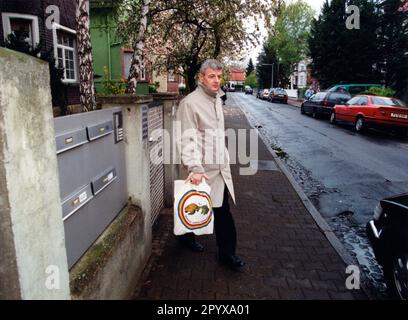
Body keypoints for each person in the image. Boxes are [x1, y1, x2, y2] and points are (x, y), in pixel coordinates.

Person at [176, 59, 245, 271]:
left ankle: (227, 254)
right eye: (211, 76)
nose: (216, 81)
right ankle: (187, 237)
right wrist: (195, 168)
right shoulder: (190, 103)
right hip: (201, 171)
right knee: (195, 206)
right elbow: (186, 138)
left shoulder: (216, 99)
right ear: (201, 78)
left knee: (222, 211)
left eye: (218, 76)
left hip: (219, 169)